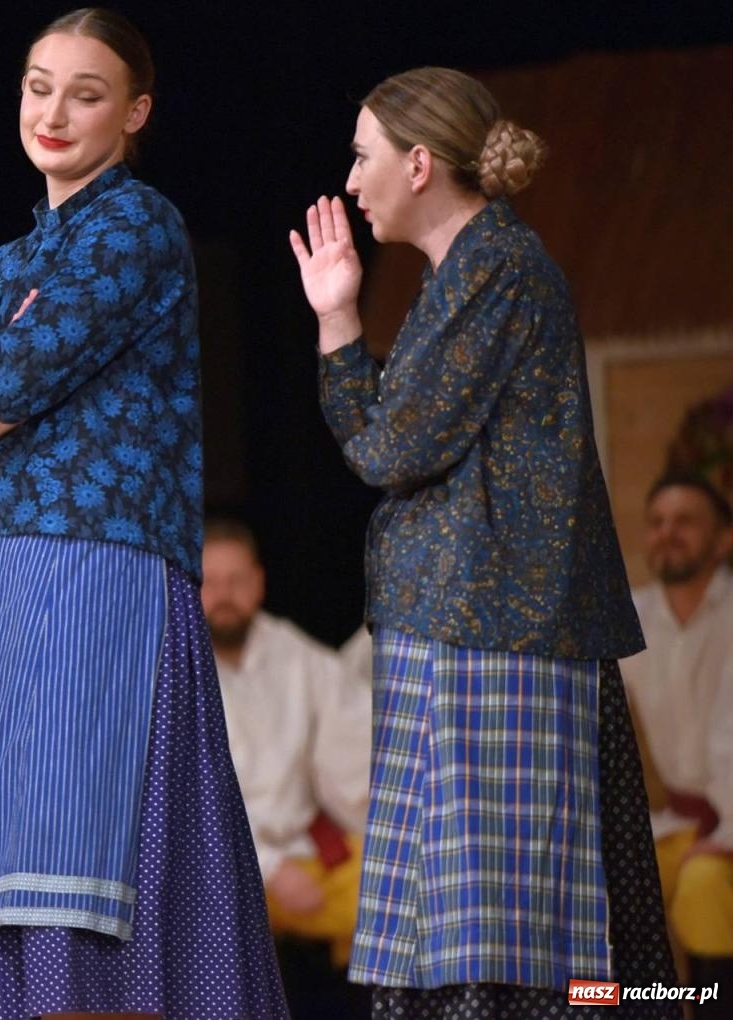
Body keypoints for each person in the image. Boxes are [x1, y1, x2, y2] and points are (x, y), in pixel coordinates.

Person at [0, 7, 287, 1020]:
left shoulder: (135, 225)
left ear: (134, 110)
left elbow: (9, 365)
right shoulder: (8, 260)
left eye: (85, 92)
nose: (53, 112)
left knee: (83, 866)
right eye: (38, 85)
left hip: (92, 568)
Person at [290, 65, 676, 1015]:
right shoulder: (465, 274)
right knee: (469, 933)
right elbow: (393, 438)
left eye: (363, 155)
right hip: (480, 628)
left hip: (494, 636)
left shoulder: (496, 269)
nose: (350, 178)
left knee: (500, 946)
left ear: (419, 164)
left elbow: (387, 446)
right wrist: (342, 320)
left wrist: (338, 323)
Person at [199, 519, 369, 967]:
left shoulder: (294, 655)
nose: (224, 596)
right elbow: (187, 802)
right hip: (214, 871)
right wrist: (270, 869)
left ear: (258, 584)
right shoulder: (175, 670)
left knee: (402, 896)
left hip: (303, 855)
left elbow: (354, 747)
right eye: (210, 583)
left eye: (236, 581)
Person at [620, 472, 733, 1003]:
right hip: (674, 824)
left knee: (704, 888)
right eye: (657, 523)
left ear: (724, 539)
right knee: (604, 894)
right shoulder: (628, 621)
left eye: (685, 521)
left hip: (729, 822)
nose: (667, 533)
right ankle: (644, 1008)